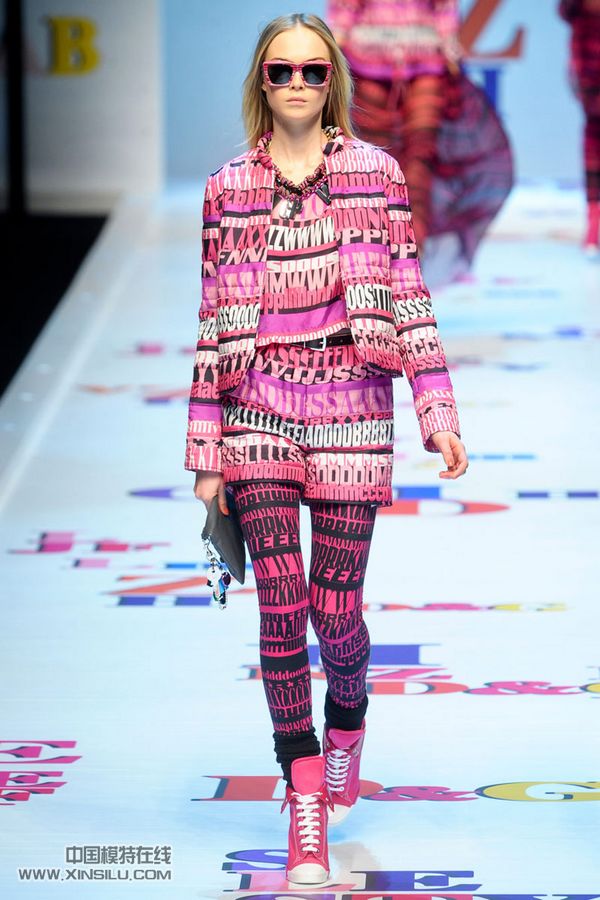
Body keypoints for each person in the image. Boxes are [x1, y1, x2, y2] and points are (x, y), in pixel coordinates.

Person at [184, 12, 468, 886]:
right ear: (261, 83)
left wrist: (437, 407)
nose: (299, 84)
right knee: (279, 602)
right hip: (259, 405)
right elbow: (211, 317)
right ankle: (303, 790)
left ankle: (348, 718)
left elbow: (409, 292)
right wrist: (205, 451)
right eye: (283, 71)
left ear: (333, 79)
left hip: (352, 405)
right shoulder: (227, 186)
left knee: (333, 610)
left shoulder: (377, 175)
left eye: (314, 70)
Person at [327, 0, 514, 286]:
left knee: (420, 160)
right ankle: (374, 257)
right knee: (373, 165)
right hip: (367, 58)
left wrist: (448, 40)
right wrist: (337, 38)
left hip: (426, 57)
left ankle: (411, 259)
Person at [559, 0, 600, 254]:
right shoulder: (580, 16)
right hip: (589, 70)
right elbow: (566, 10)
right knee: (593, 143)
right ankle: (594, 223)